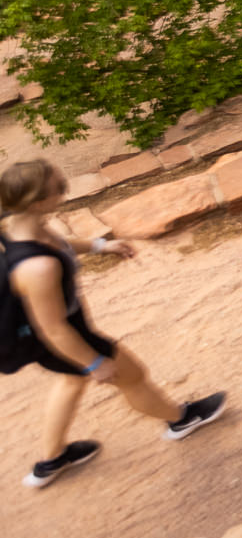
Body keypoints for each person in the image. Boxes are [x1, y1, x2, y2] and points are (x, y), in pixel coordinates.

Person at [2, 160, 226, 489]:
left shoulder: (18, 224)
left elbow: (59, 245)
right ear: (37, 201)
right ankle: (180, 420)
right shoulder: (37, 268)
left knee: (70, 383)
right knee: (132, 376)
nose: (64, 193)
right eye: (59, 188)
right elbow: (54, 329)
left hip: (41, 334)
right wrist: (95, 362)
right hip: (65, 335)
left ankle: (51, 461)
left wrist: (99, 245)